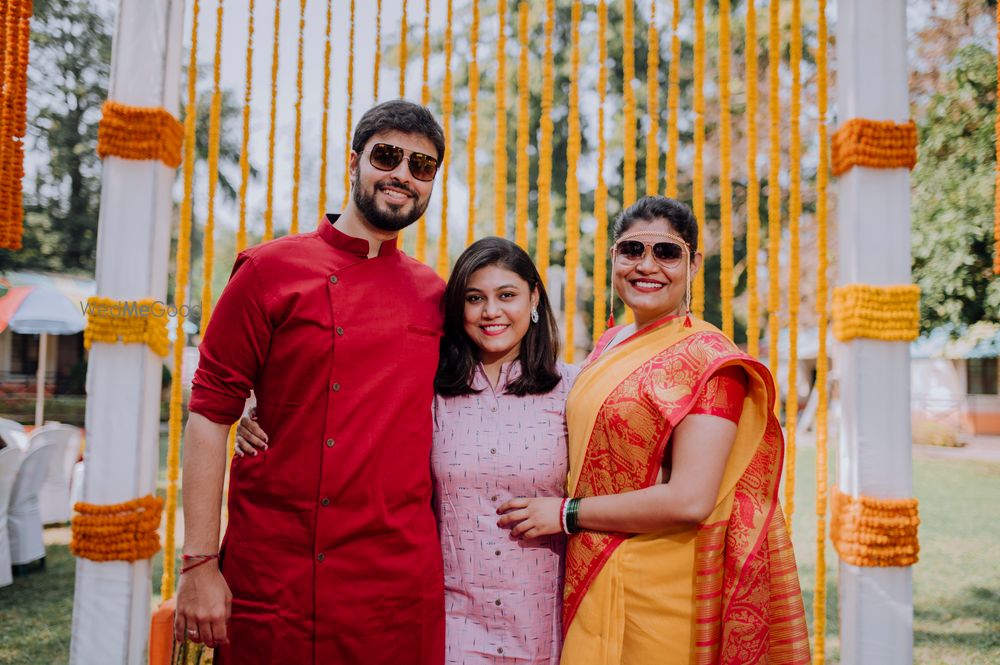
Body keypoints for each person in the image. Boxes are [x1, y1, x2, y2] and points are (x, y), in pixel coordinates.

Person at [174, 100, 448, 664]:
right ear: (354, 161)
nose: (403, 175)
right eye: (388, 156)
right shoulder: (268, 270)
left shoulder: (435, 294)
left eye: (421, 167)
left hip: (394, 579)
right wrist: (199, 563)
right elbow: (208, 413)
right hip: (278, 570)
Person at [497, 196, 812, 664]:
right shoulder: (609, 344)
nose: (647, 265)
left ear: (693, 262)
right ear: (613, 259)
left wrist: (566, 514)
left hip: (660, 591)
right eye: (631, 250)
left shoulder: (710, 361)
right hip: (591, 575)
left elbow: (690, 499)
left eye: (666, 252)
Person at [238, 237, 577, 664]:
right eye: (475, 299)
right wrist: (264, 414)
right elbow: (349, 405)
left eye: (506, 295)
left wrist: (566, 512)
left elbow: (621, 478)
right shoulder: (431, 388)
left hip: (545, 621)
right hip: (455, 621)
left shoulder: (574, 390)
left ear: (534, 299)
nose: (491, 312)